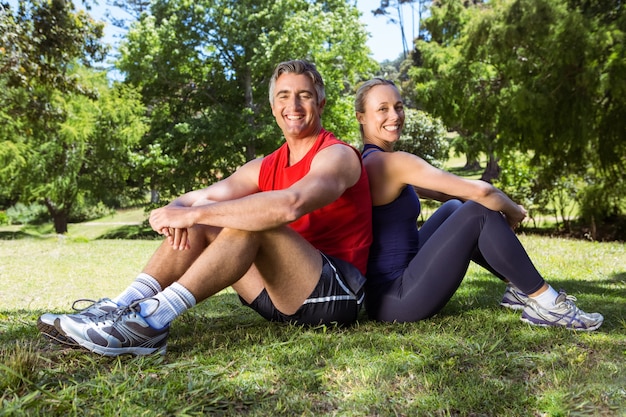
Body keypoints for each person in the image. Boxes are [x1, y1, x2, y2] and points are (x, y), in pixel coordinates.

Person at [37, 60, 373, 356]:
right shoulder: (264, 165)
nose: (293, 104)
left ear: (321, 102)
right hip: (277, 293)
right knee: (207, 219)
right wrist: (175, 210)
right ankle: (121, 307)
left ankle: (150, 322)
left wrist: (195, 213)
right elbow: (201, 197)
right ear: (273, 107)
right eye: (283, 95)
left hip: (336, 295)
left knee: (249, 218)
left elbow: (290, 204)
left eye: (304, 95)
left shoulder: (337, 155)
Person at [354, 78, 603, 330]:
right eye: (382, 109)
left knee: (454, 207)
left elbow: (445, 193)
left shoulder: (372, 161)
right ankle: (548, 304)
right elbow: (482, 192)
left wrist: (490, 217)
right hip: (398, 301)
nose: (394, 115)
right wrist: (513, 212)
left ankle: (519, 287)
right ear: (361, 117)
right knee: (478, 209)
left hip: (385, 294)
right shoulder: (390, 163)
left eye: (399, 106)